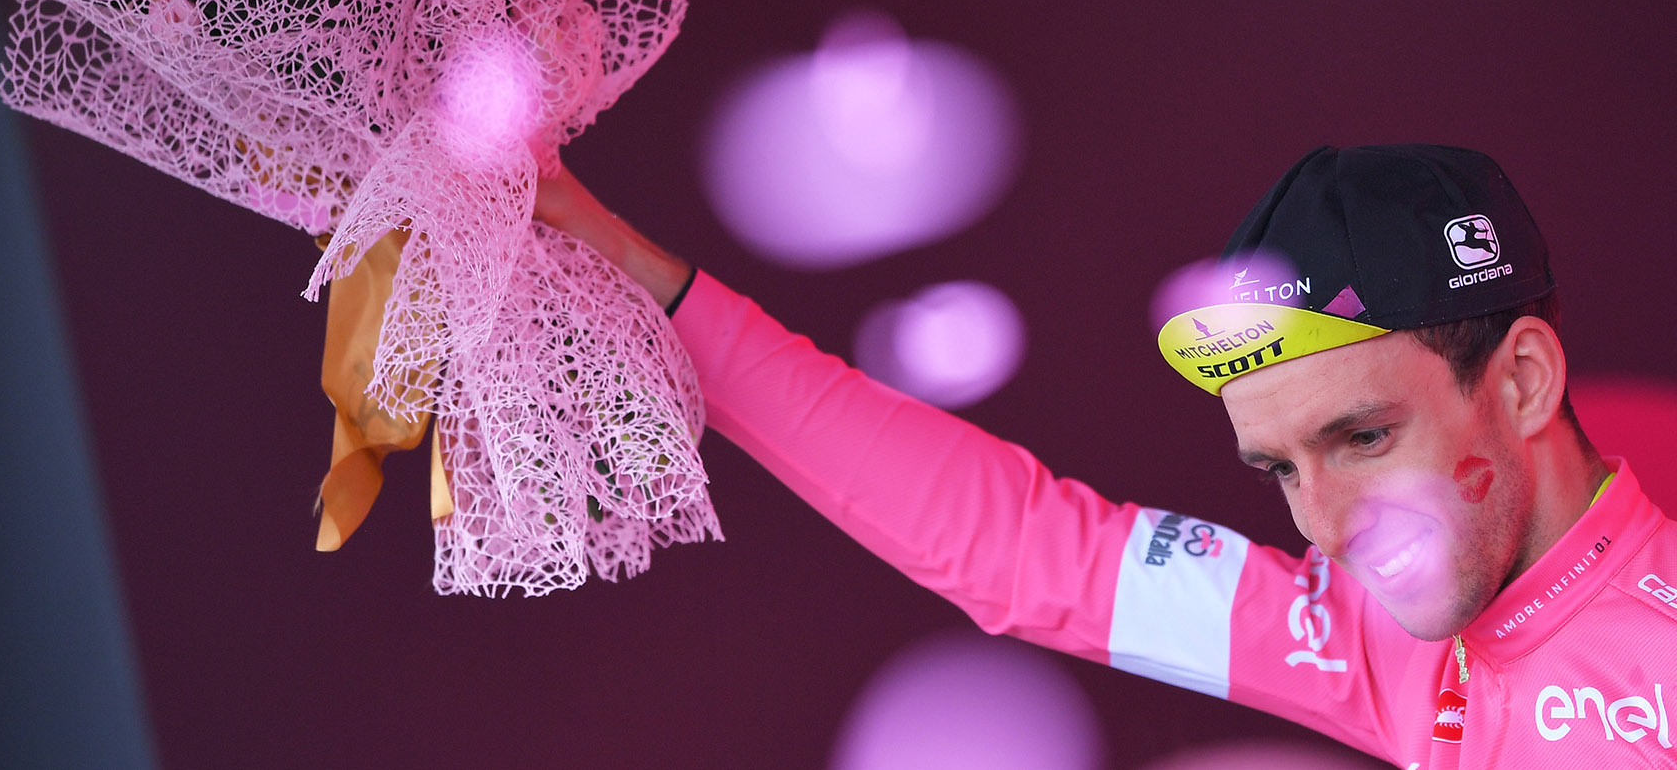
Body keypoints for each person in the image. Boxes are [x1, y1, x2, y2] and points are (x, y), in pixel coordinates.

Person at [534, 143, 1677, 767]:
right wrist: (633, 273)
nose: (1326, 526)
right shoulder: (1385, 636)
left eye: (1363, 436)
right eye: (1278, 466)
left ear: (1521, 379)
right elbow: (1022, 547)